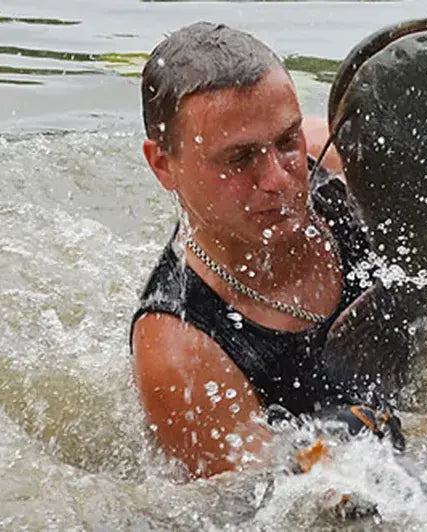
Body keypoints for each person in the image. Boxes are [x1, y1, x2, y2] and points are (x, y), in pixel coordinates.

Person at [131, 22, 395, 479]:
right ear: (163, 165)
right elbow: (260, 508)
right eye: (239, 159)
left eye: (286, 141)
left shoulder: (332, 158)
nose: (279, 180)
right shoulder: (182, 351)